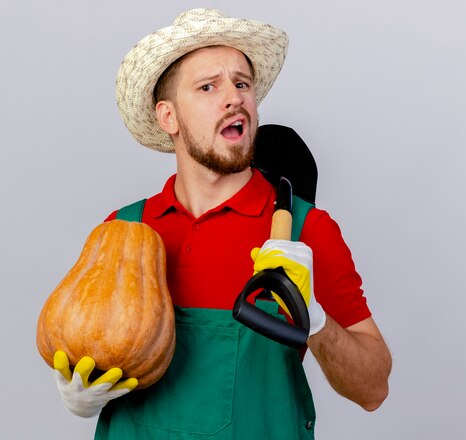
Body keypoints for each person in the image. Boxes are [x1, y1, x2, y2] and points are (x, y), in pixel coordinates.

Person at [49, 8, 392, 439]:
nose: (234, 97)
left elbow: (374, 388)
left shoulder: (306, 230)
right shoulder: (124, 230)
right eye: (208, 86)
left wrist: (316, 321)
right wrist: (86, 391)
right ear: (168, 117)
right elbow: (95, 344)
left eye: (242, 83)